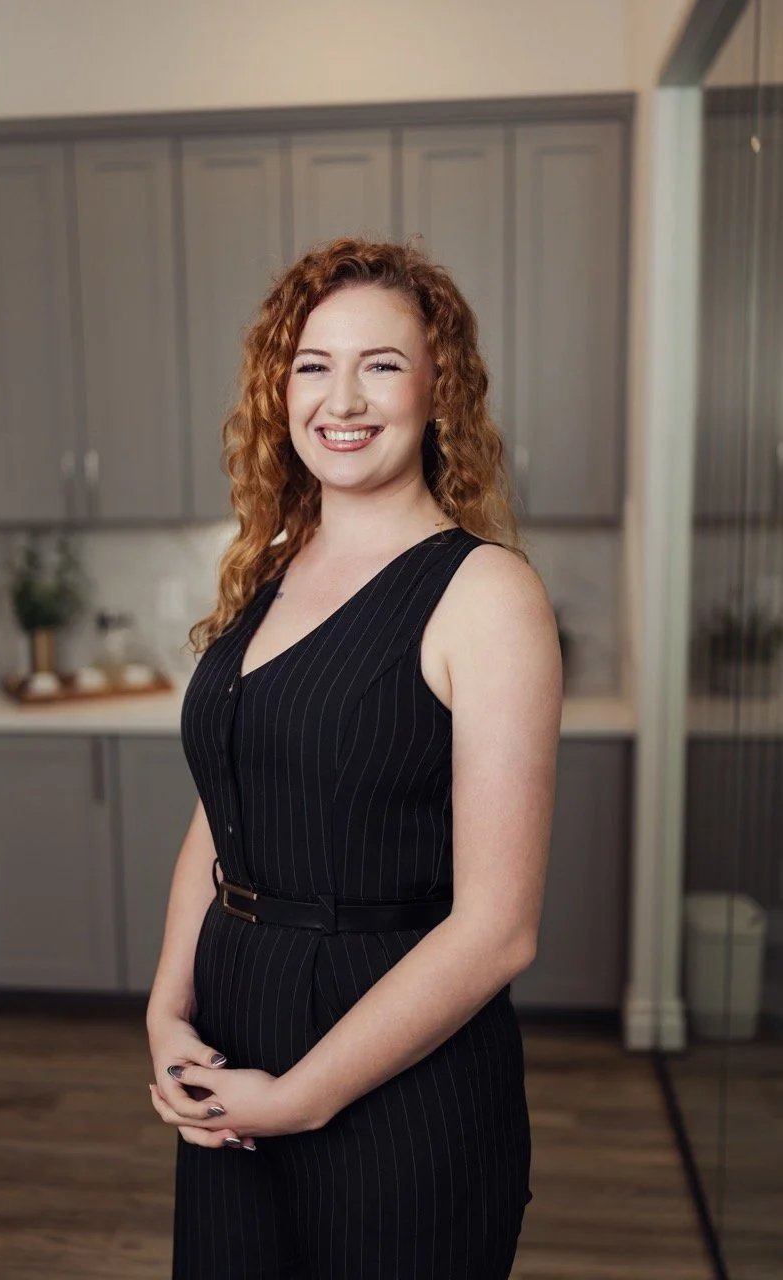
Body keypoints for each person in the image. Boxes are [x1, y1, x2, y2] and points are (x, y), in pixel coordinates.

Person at [147, 236, 562, 1279]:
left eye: (381, 363)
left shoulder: (487, 595)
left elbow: (498, 930)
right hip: (235, 1044)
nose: (342, 399)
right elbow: (224, 808)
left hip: (398, 1080)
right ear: (279, 390)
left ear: (438, 388)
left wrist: (300, 1097)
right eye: (312, 365)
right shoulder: (272, 567)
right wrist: (166, 1007)